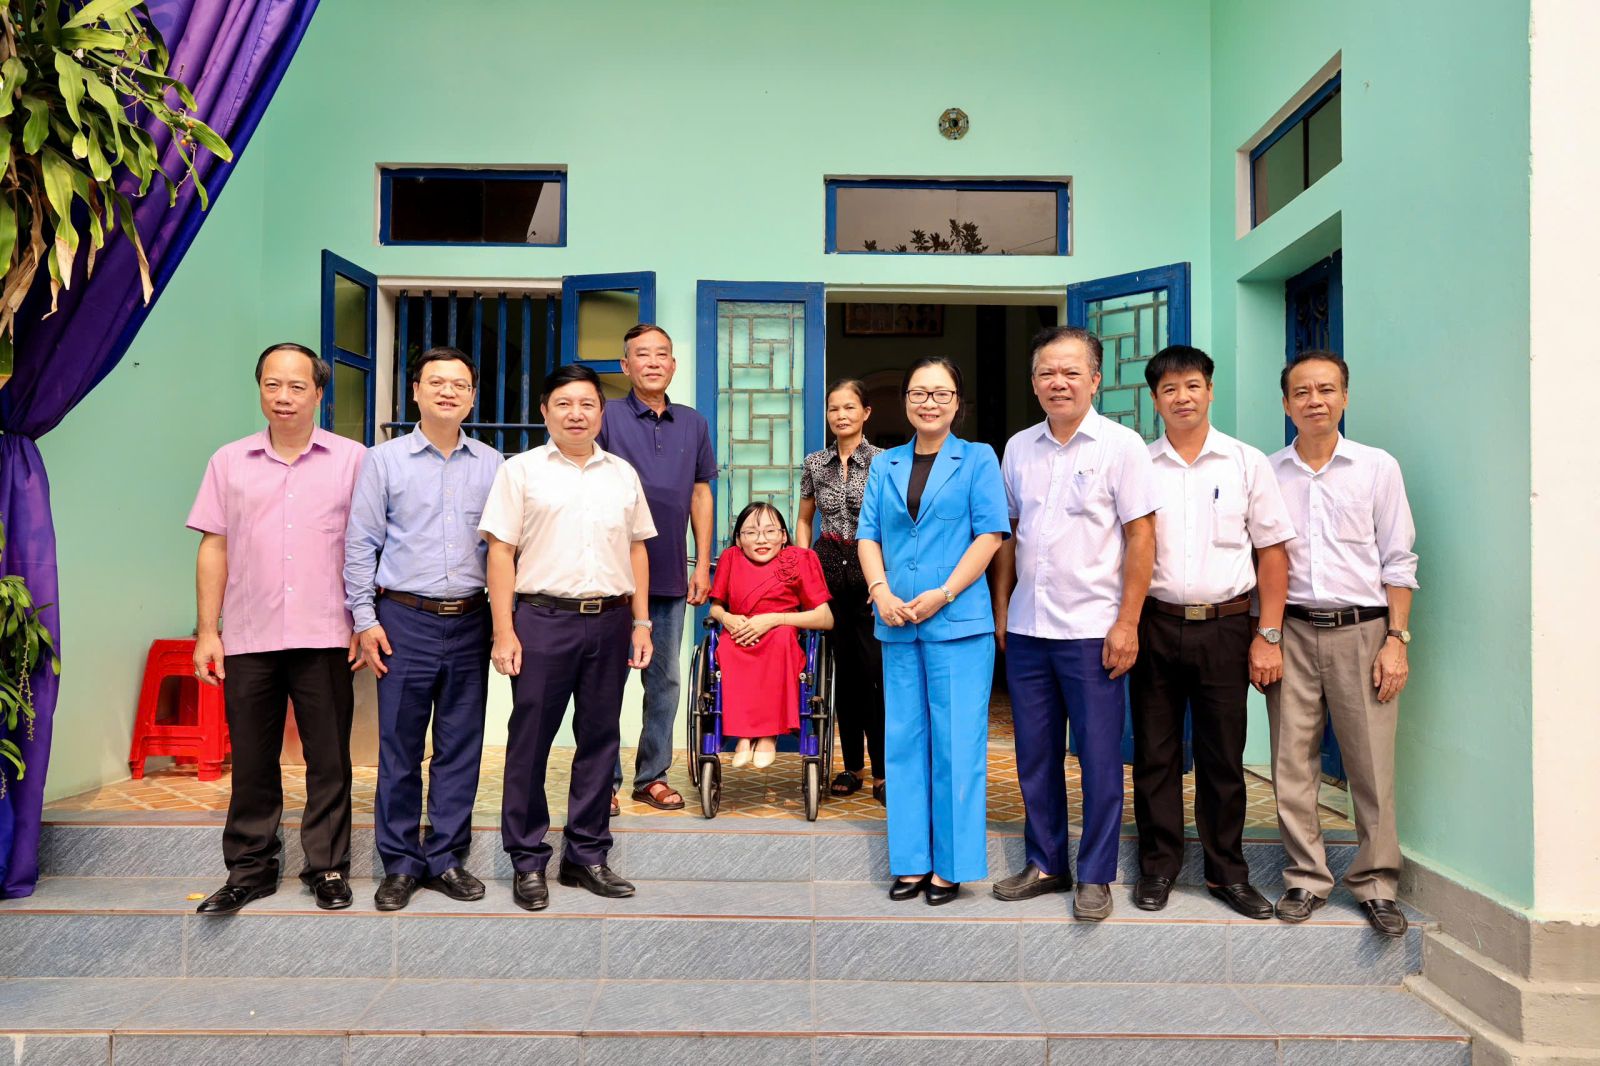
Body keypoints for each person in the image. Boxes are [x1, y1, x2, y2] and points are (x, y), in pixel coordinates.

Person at [187, 343, 366, 915]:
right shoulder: (229, 461)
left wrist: (366, 621)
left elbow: (367, 549)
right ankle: (250, 869)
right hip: (249, 635)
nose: (283, 396)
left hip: (326, 634)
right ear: (259, 390)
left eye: (296, 386)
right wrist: (206, 632)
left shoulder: (354, 460)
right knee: (254, 758)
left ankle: (328, 867)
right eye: (272, 385)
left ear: (319, 392)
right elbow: (213, 546)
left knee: (330, 758)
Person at [991, 326, 1157, 922]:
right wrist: (1002, 607)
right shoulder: (1017, 448)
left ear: (1095, 378)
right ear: (1033, 383)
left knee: (1098, 756)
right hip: (1032, 628)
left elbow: (1141, 536)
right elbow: (1008, 536)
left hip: (1094, 630)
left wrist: (1128, 621)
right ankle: (1046, 863)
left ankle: (1095, 874)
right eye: (1045, 373)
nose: (1057, 382)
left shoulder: (1122, 446)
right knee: (1034, 754)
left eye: (1070, 372)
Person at [478, 364, 657, 911]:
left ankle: (586, 856)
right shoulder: (521, 472)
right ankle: (527, 860)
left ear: (601, 413)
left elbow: (636, 549)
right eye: (564, 404)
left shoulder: (622, 474)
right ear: (545, 412)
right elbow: (501, 552)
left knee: (601, 739)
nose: (576, 413)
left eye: (586, 404)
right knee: (531, 741)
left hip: (609, 619)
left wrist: (642, 620)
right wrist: (503, 629)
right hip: (540, 621)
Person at [1129, 345, 1295, 919]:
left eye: (1193, 385)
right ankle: (1158, 868)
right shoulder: (1138, 466)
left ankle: (1228, 874)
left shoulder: (1247, 463)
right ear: (1155, 399)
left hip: (1227, 628)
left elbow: (1273, 554)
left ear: (1210, 390)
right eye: (1169, 389)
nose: (1182, 397)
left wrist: (1266, 634)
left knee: (1224, 757)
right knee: (1155, 755)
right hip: (1155, 625)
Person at [344, 346, 504, 911]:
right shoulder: (382, 461)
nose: (448, 392)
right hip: (402, 620)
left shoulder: (493, 463)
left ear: (472, 396)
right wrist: (364, 619)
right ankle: (400, 863)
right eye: (436, 382)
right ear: (415, 390)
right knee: (400, 747)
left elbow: (505, 551)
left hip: (470, 619)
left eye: (460, 385)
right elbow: (360, 544)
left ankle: (447, 858)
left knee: (460, 746)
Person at [1268, 350, 1418, 937]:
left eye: (1326, 389)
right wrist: (1268, 636)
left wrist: (1396, 640)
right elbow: (1264, 560)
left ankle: (1377, 884)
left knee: (1371, 766)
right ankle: (1305, 879)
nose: (1315, 401)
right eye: (1301, 392)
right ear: (1286, 404)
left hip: (1365, 631)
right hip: (1294, 631)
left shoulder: (1378, 468)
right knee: (1290, 762)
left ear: (1345, 397)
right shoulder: (1268, 472)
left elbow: (1399, 559)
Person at [857, 357, 1009, 907]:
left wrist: (943, 593)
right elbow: (868, 535)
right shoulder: (886, 464)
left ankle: (952, 865)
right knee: (902, 745)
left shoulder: (978, 459)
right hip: (896, 621)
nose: (929, 401)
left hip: (957, 624)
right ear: (905, 400)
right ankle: (912, 862)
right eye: (919, 392)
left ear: (956, 403)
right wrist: (881, 592)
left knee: (956, 748)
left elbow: (990, 535)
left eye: (940, 393)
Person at [597, 323, 715, 814]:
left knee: (663, 681)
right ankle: (602, 781)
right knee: (605, 682)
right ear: (625, 366)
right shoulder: (605, 418)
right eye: (641, 355)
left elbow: (701, 492)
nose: (652, 362)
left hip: (668, 575)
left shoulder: (693, 422)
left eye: (661, 354)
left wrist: (702, 562)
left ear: (673, 365)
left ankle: (652, 776)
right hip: (610, 579)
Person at [797, 379, 886, 800]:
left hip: (871, 574)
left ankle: (884, 769)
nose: (841, 415)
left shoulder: (886, 462)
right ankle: (851, 767)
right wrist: (800, 569)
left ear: (866, 412)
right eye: (834, 408)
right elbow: (804, 520)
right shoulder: (815, 463)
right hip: (829, 570)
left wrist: (885, 580)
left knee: (876, 675)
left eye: (850, 407)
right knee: (844, 676)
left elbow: (894, 524)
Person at [707, 503, 833, 764]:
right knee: (727, 649)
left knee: (782, 640)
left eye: (770, 531)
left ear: (784, 536)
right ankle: (743, 735)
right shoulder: (731, 558)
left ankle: (767, 736)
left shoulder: (801, 559)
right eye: (751, 533)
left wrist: (774, 620)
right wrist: (727, 618)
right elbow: (716, 607)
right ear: (739, 540)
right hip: (739, 630)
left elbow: (826, 618)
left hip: (782, 632)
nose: (761, 539)